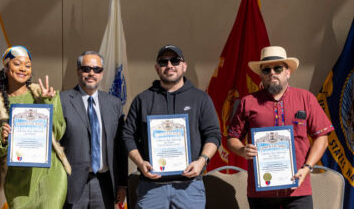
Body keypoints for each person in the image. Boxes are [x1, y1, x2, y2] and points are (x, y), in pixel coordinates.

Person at [227, 46, 334, 209]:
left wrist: (307, 168)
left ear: (287, 72)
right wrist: (242, 150)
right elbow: (232, 138)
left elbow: (322, 137)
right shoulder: (248, 102)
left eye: (278, 68)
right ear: (261, 74)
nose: (272, 73)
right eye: (266, 69)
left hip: (298, 190)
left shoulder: (306, 98)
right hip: (261, 192)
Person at [123, 44, 221, 209]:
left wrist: (202, 161)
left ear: (184, 66)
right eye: (163, 62)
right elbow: (127, 135)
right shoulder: (143, 100)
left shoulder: (201, 99)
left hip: (189, 187)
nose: (169, 66)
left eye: (175, 61)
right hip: (151, 188)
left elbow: (213, 134)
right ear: (157, 68)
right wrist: (140, 163)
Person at [0, 45, 71, 209]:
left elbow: (58, 132)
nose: (23, 69)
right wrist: (3, 138)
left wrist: (48, 102)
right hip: (18, 182)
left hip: (50, 175)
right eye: (17, 64)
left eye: (27, 65)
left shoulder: (43, 93)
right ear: (6, 67)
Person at [60, 51, 128, 208]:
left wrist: (122, 184)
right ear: (78, 71)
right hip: (72, 184)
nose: (91, 73)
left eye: (97, 69)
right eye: (86, 69)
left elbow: (120, 147)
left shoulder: (114, 104)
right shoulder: (62, 100)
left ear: (102, 73)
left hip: (104, 184)